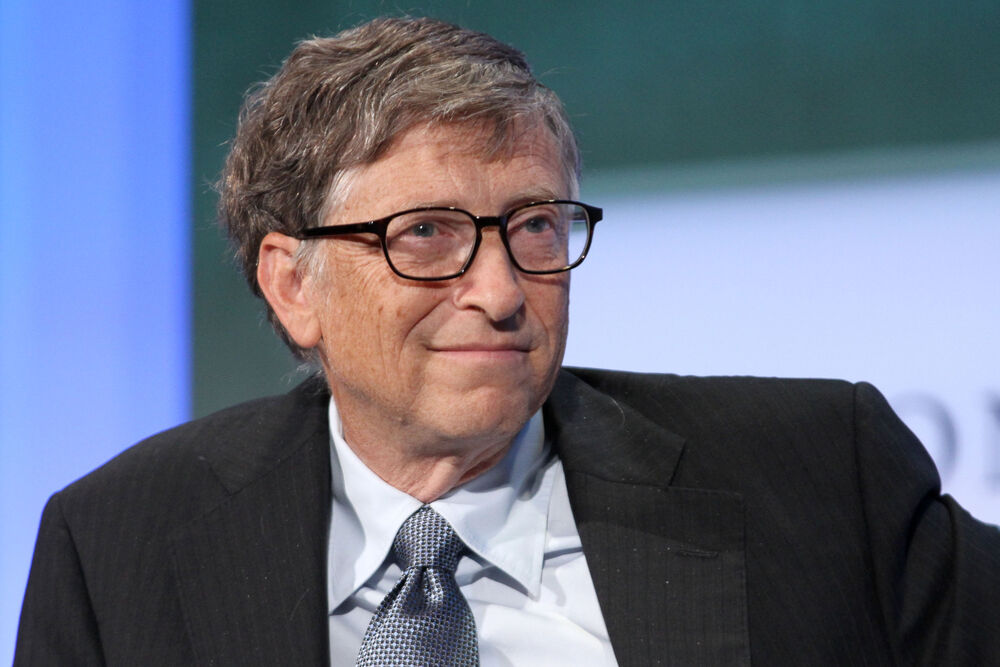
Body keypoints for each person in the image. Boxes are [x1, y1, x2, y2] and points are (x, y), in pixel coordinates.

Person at [14, 16, 1000, 667]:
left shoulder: (821, 473)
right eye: (427, 236)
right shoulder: (121, 546)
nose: (499, 290)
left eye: (533, 226)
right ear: (291, 285)